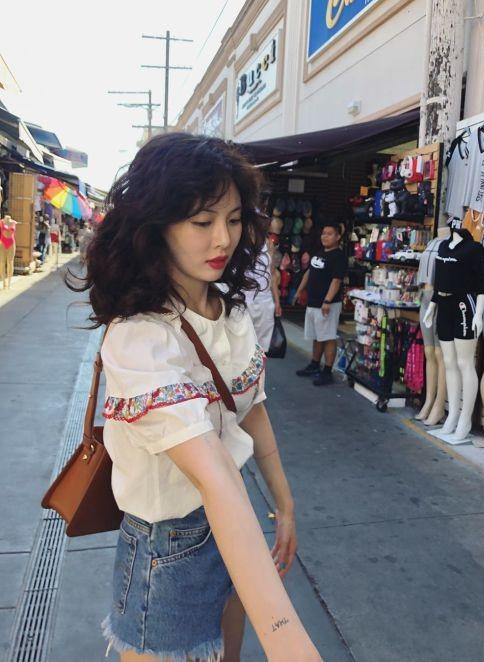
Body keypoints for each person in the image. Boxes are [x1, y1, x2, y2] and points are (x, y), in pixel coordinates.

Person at [67, 133, 321, 662]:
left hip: (231, 526)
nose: (222, 239)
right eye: (202, 222)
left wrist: (285, 503)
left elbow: (252, 411)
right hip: (167, 550)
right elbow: (213, 473)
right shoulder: (141, 336)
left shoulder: (231, 313)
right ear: (156, 226)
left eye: (234, 219)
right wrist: (288, 641)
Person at [294, 223, 348, 386]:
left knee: (328, 337)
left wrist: (327, 300)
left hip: (327, 304)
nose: (325, 236)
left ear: (338, 237)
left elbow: (336, 280)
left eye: (329, 234)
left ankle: (327, 371)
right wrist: (299, 290)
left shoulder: (339, 256)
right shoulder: (319, 253)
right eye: (324, 233)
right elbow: (309, 272)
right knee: (317, 336)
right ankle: (314, 364)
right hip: (313, 302)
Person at [244, 234, 282, 352]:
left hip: (265, 301)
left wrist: (277, 302)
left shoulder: (269, 244)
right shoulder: (240, 241)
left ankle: (258, 364)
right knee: (243, 343)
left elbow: (271, 276)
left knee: (261, 346)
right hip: (244, 299)